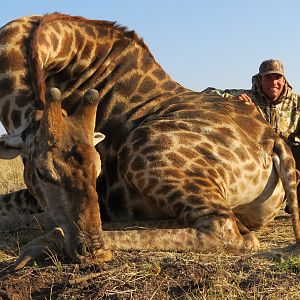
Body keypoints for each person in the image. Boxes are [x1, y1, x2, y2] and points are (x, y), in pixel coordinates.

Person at [202, 59, 300, 211]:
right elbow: (208, 93)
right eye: (268, 77)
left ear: (284, 80)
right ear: (260, 79)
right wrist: (235, 101)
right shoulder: (247, 97)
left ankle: (295, 204)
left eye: (277, 77)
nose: (273, 82)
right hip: (257, 150)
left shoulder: (296, 102)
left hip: (288, 150)